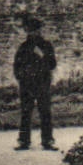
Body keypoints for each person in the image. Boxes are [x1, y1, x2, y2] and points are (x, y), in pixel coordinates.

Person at [13, 14, 57, 151]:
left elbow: (52, 64)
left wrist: (43, 56)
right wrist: (21, 78)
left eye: (35, 30)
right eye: (30, 30)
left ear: (39, 31)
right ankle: (24, 141)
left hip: (42, 83)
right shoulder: (23, 47)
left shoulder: (46, 46)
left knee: (45, 112)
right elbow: (17, 66)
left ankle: (47, 141)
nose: (33, 33)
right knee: (26, 112)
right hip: (27, 85)